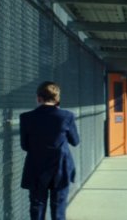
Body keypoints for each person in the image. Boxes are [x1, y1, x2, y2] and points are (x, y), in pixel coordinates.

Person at [20, 81, 80, 220]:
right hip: (60, 168)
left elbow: (25, 146)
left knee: (37, 206)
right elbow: (75, 141)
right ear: (57, 98)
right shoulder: (67, 116)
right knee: (58, 208)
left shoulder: (26, 117)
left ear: (38, 98)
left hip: (36, 167)